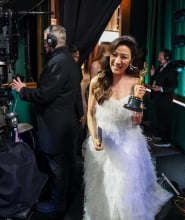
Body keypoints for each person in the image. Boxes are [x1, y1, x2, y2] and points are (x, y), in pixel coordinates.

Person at [83, 35, 172, 220]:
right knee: (103, 188)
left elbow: (136, 120)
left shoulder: (135, 82)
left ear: (131, 60)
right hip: (103, 142)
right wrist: (94, 136)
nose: (118, 60)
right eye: (115, 55)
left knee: (123, 190)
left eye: (124, 56)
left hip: (128, 144)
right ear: (109, 56)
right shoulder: (97, 82)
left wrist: (139, 100)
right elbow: (91, 114)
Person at [11, 24, 83, 213]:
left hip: (56, 128)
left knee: (58, 169)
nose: (43, 45)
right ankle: (62, 201)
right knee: (65, 167)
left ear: (51, 41)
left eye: (45, 41)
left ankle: (56, 205)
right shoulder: (70, 60)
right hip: (67, 125)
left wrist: (23, 90)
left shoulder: (58, 62)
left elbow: (45, 94)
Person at [150, 49, 178, 148]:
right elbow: (156, 80)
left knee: (165, 120)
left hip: (165, 100)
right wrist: (153, 74)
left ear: (166, 57)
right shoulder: (160, 67)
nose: (159, 56)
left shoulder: (171, 69)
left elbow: (174, 85)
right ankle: (160, 136)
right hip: (158, 99)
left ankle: (166, 141)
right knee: (160, 119)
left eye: (160, 55)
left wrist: (161, 88)